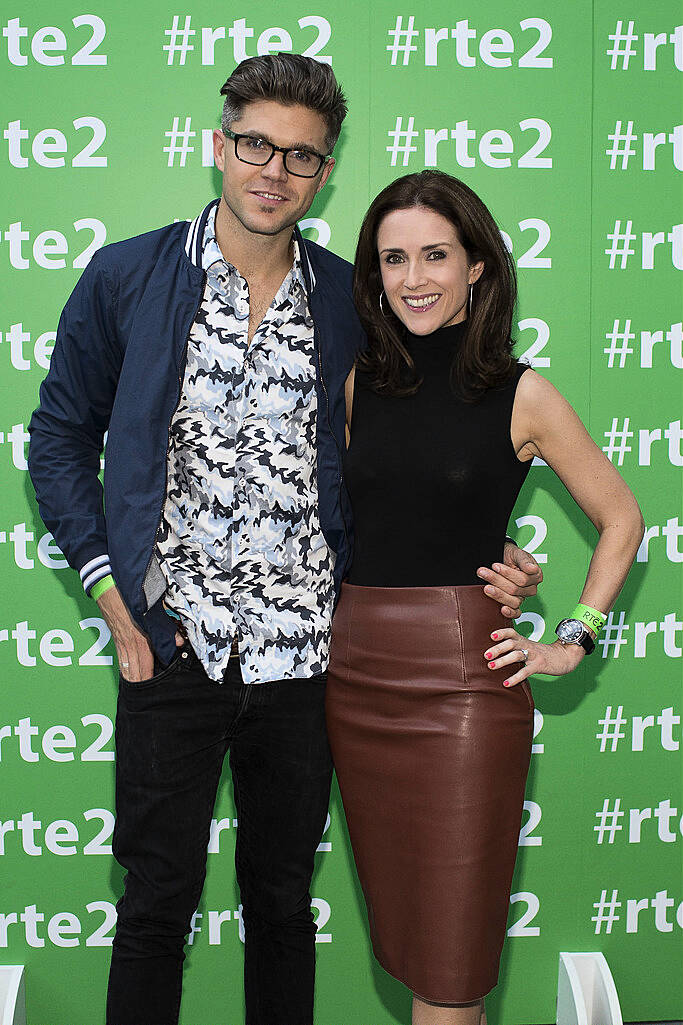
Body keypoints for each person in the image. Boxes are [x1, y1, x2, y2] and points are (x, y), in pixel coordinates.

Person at [27, 57, 541, 1025]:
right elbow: (56, 437)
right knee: (151, 908)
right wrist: (109, 595)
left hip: (310, 658)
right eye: (256, 145)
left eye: (300, 156)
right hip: (168, 646)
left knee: (278, 907)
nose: (274, 170)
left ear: (324, 172)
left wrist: (487, 554)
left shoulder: (355, 304)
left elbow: (431, 438)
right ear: (218, 146)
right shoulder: (129, 276)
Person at [325, 170, 644, 1025]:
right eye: (393, 258)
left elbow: (621, 518)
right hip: (354, 677)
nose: (413, 277)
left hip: (465, 688)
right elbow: (378, 519)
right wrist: (497, 552)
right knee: (407, 943)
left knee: (452, 963)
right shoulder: (360, 382)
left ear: (477, 267)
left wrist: (571, 636)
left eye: (435, 254)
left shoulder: (522, 391)